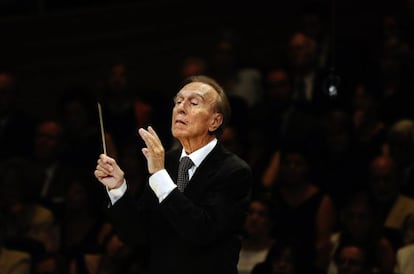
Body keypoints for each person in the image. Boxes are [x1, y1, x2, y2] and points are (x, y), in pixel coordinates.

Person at [94, 75, 253, 274]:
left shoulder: (234, 172)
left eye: (193, 102)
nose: (181, 107)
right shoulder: (166, 162)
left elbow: (202, 231)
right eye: (178, 101)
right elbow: (138, 234)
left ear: (215, 121)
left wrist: (160, 175)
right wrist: (118, 188)